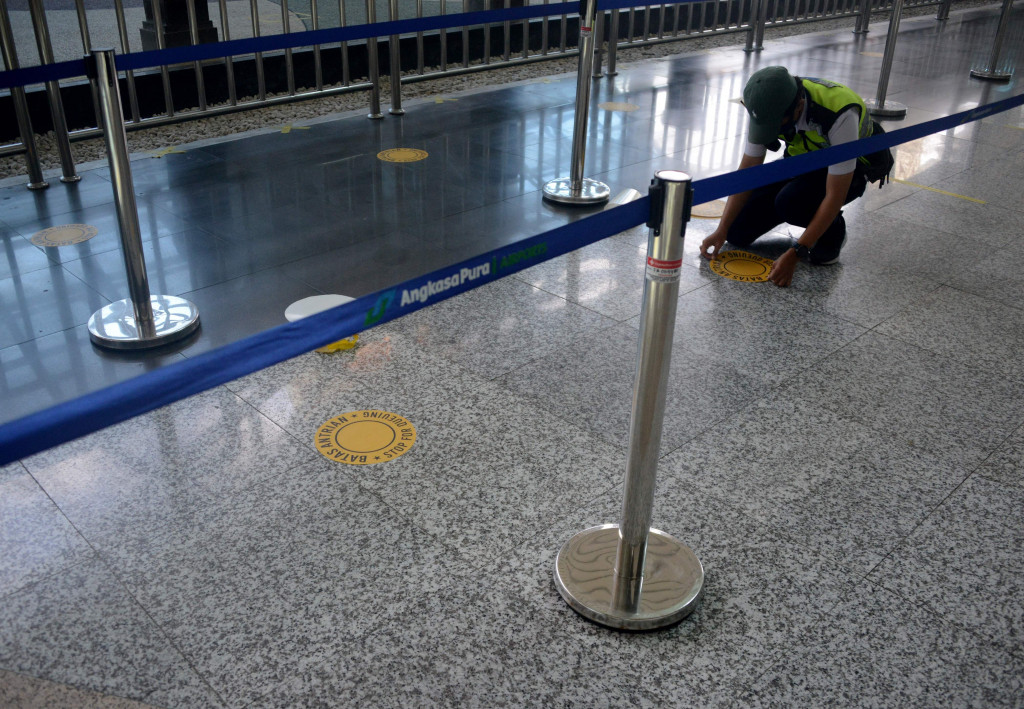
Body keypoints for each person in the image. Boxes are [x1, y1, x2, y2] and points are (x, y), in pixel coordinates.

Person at [700, 66, 874, 287]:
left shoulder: (839, 113)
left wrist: (796, 253)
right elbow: (748, 172)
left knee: (791, 203)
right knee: (736, 232)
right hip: (799, 163)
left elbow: (835, 194)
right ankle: (799, 211)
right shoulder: (766, 105)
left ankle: (833, 230)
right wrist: (722, 228)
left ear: (799, 107)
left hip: (851, 173)